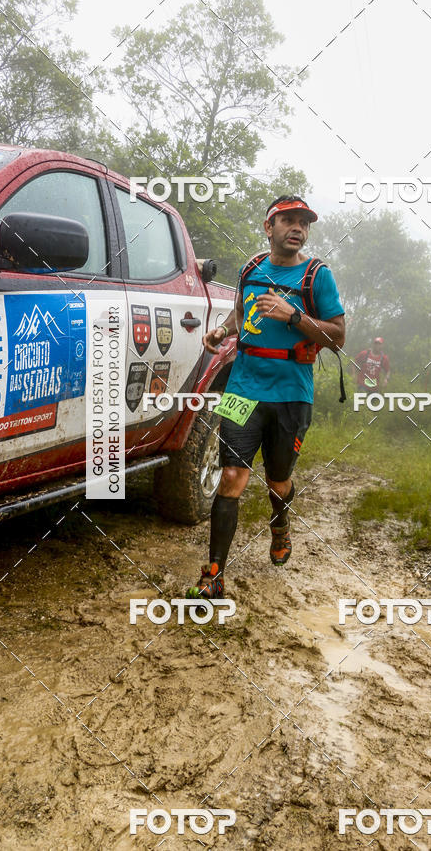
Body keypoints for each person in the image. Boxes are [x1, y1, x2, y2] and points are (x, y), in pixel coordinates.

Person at [187, 195, 346, 599]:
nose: (298, 228)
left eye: (304, 223)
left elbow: (338, 337)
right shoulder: (252, 268)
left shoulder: (316, 276)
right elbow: (240, 313)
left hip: (292, 392)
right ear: (269, 227)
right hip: (242, 386)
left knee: (278, 481)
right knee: (232, 477)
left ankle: (280, 521)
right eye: (288, 220)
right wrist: (223, 331)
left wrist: (293, 316)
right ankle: (214, 575)